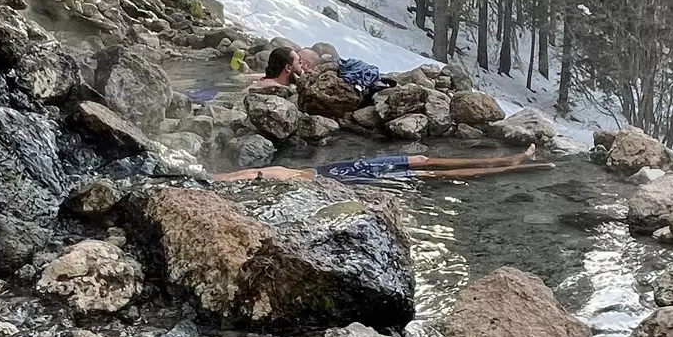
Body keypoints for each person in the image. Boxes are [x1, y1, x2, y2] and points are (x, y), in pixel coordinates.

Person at [213, 148, 550, 184]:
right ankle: (512, 167)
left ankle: (510, 159)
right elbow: (247, 175)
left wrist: (209, 178)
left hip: (343, 167)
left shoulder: (265, 176)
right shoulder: (265, 179)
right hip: (350, 178)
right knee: (426, 172)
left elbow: (246, 174)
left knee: (423, 161)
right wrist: (214, 179)